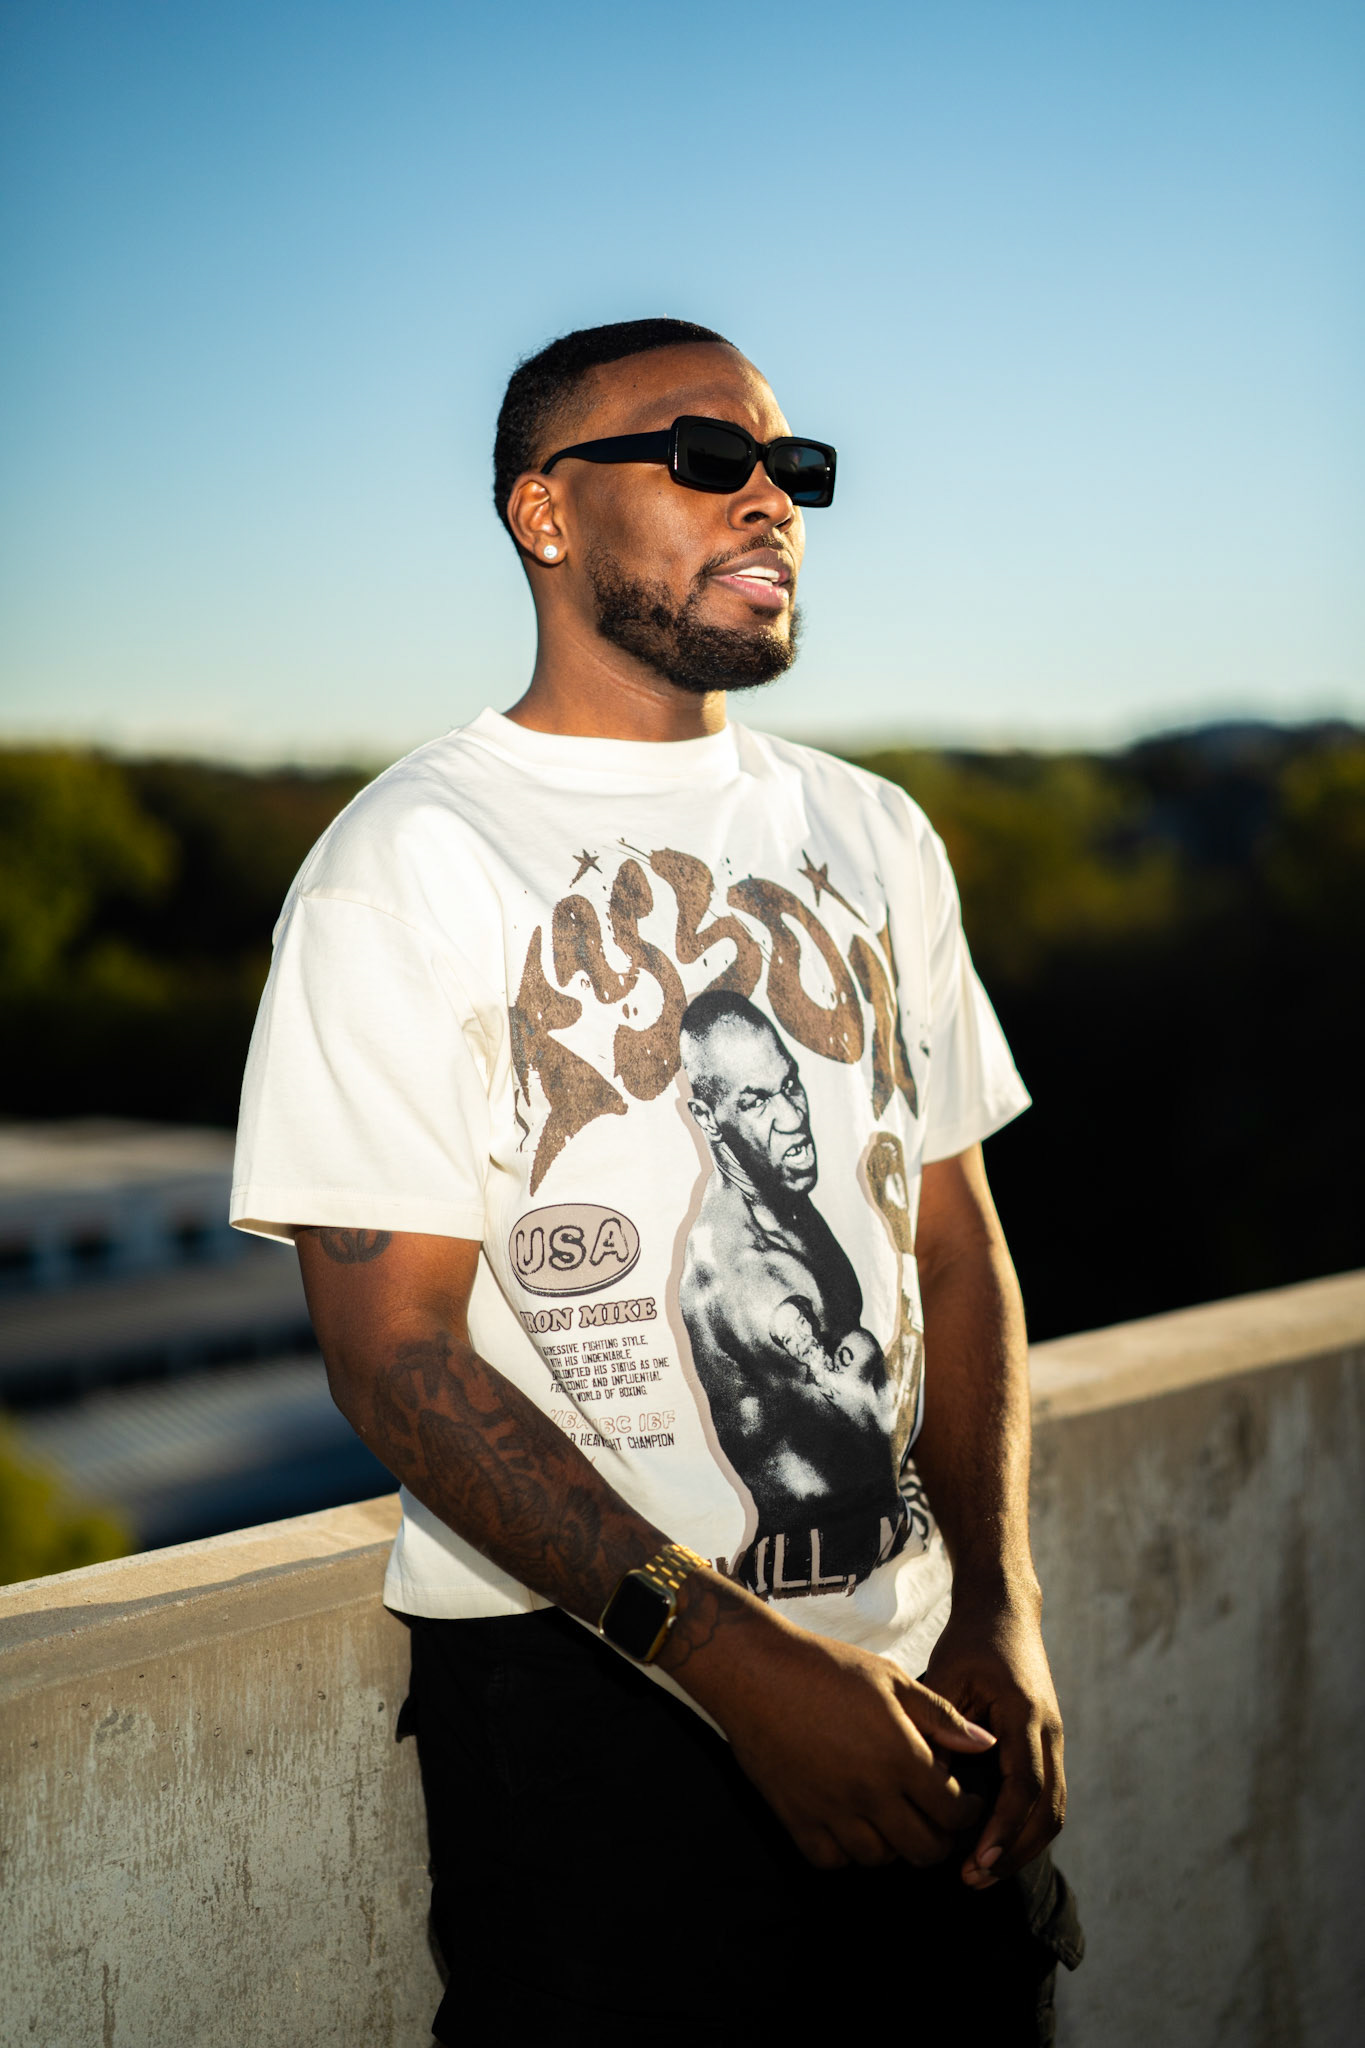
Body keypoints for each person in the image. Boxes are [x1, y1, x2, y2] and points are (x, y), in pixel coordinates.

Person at [231, 317, 1083, 2044]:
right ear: (545, 515)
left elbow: (947, 1242)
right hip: (596, 1731)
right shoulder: (407, 863)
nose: (770, 500)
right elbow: (395, 1356)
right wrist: (741, 1674)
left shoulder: (872, 832)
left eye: (793, 468)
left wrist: (1000, 1608)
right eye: (706, 459)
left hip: (929, 1698)